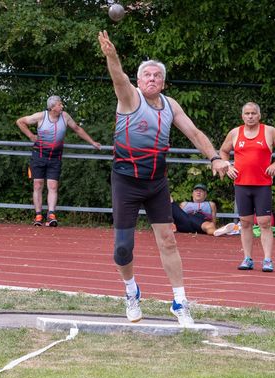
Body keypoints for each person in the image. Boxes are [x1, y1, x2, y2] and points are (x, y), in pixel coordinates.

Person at [98, 31, 228, 326]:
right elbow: (118, 77)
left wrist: (215, 157)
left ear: (164, 82)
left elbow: (194, 133)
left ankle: (180, 301)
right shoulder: (130, 98)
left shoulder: (171, 105)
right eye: (147, 75)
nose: (152, 79)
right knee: (122, 247)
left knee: (168, 241)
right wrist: (112, 55)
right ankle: (131, 292)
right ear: (139, 81)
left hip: (157, 183)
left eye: (157, 75)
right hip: (125, 182)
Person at [219, 102, 275, 272]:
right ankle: (247, 258)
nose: (250, 116)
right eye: (247, 113)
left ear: (259, 115)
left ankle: (267, 259)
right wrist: (228, 166)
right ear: (242, 116)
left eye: (253, 113)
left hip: (262, 184)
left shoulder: (269, 131)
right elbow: (223, 150)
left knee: (265, 223)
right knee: (245, 223)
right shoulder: (235, 133)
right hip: (241, 184)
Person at [16, 95, 101, 227]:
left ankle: (51, 215)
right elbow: (20, 121)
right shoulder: (40, 116)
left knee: (53, 186)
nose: (62, 106)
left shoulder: (65, 116)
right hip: (38, 155)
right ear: (52, 107)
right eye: (60, 104)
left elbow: (77, 129)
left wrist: (92, 142)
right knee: (38, 185)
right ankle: (38, 215)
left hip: (55, 157)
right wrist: (31, 136)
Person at [171, 183, 236, 236]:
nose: (198, 192)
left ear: (205, 195)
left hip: (201, 224)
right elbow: (177, 216)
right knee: (171, 202)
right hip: (184, 222)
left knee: (210, 225)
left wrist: (213, 225)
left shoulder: (210, 204)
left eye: (201, 191)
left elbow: (213, 220)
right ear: (192, 194)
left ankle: (216, 231)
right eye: (196, 191)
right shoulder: (184, 204)